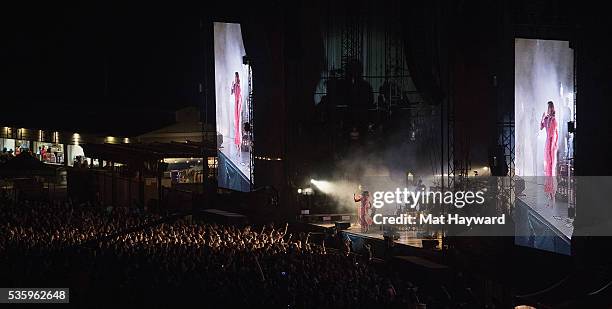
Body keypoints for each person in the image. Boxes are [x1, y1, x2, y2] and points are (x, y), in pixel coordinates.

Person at [540, 101, 558, 204]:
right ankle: (549, 192)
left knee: (551, 169)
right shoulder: (546, 118)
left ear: (553, 108)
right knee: (547, 169)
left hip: (552, 145)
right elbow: (541, 127)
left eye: (550, 107)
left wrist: (552, 146)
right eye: (548, 108)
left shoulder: (554, 120)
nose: (549, 109)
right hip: (547, 144)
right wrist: (542, 118)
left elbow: (554, 134)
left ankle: (553, 193)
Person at [231, 72, 242, 153]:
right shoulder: (234, 85)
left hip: (238, 102)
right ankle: (238, 144)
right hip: (236, 103)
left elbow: (239, 94)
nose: (235, 78)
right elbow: (232, 93)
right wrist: (232, 87)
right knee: (236, 124)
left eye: (236, 77)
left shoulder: (238, 85)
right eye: (235, 77)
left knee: (238, 123)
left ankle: (239, 144)